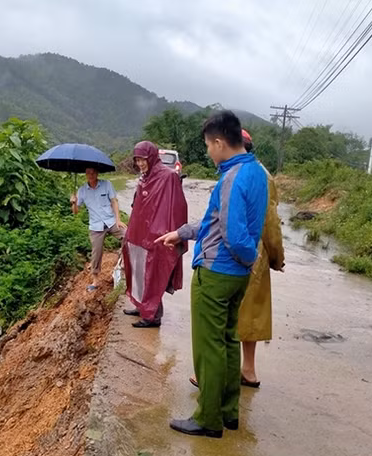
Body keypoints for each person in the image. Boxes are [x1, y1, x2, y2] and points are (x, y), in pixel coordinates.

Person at [156, 111, 268, 438]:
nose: (208, 152)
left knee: (209, 347)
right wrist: (183, 232)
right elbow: (214, 222)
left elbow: (233, 235)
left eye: (208, 145)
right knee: (229, 341)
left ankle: (208, 417)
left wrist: (247, 258)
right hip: (237, 276)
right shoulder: (256, 171)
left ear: (219, 142)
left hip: (217, 273)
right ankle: (229, 412)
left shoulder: (232, 178)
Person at [189, 129, 285, 390]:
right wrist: (275, 257)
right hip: (256, 254)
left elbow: (258, 222)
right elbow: (271, 223)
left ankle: (212, 373)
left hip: (238, 255)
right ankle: (247, 370)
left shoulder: (241, 174)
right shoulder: (261, 174)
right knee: (250, 313)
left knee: (224, 315)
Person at [122, 141, 188, 328]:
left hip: (155, 236)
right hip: (138, 233)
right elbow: (138, 206)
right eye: (137, 160)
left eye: (143, 159)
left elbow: (177, 207)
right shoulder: (144, 177)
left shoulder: (168, 177)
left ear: (151, 157)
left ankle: (152, 316)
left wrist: (171, 233)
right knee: (138, 272)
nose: (140, 163)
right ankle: (141, 306)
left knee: (153, 275)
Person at [71, 167, 127, 291]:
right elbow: (75, 212)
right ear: (85, 174)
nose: (91, 175)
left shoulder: (107, 184)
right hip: (96, 226)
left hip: (111, 221)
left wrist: (118, 220)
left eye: (93, 173)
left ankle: (123, 262)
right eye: (88, 173)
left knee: (127, 235)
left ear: (97, 173)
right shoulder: (82, 190)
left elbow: (114, 202)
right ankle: (95, 280)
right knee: (96, 252)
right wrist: (74, 203)